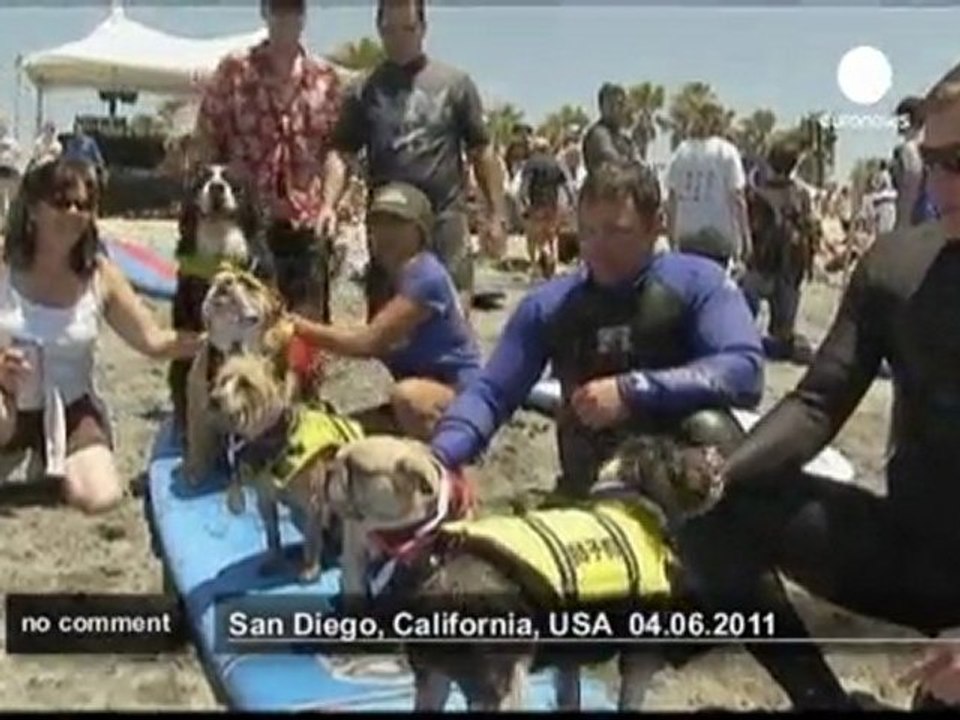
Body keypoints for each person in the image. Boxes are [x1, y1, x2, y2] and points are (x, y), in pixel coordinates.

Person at [427, 160, 854, 709]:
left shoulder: (695, 284)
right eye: (588, 231)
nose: (598, 247)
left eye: (618, 231)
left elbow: (743, 370)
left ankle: (820, 697)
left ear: (657, 226)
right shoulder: (552, 305)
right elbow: (491, 392)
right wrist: (440, 457)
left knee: (724, 502)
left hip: (688, 502)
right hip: (593, 495)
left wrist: (634, 390)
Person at [686, 62, 960, 711]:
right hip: (918, 553)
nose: (943, 183)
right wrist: (720, 473)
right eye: (934, 162)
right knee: (715, 514)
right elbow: (818, 401)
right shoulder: (897, 266)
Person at [0, 158, 202, 513]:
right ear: (33, 208)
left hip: (71, 405)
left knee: (100, 497)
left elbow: (153, 340)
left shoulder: (99, 275)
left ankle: (47, 460)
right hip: (8, 400)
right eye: (61, 202)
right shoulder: (5, 265)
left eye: (83, 205)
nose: (73, 213)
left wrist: (214, 342)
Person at [330, 0, 508, 320]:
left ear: (423, 29)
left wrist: (496, 214)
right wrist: (328, 204)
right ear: (379, 30)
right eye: (390, 30)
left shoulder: (456, 84)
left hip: (444, 224)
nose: (399, 38)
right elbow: (341, 153)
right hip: (388, 227)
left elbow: (482, 150)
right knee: (388, 332)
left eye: (408, 29)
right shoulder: (363, 90)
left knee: (452, 324)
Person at [289, 182, 481, 441]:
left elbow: (367, 342)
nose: (385, 232)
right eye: (378, 222)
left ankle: (444, 458)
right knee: (339, 432)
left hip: (459, 395)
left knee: (407, 397)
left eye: (397, 223)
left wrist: (297, 327)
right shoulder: (390, 278)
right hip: (421, 390)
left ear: (420, 230)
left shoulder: (425, 276)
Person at [193, 0, 345, 322]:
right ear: (264, 11)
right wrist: (209, 200)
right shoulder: (234, 71)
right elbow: (206, 136)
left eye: (294, 8)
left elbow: (335, 152)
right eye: (278, 8)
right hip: (246, 230)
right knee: (244, 325)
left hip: (306, 228)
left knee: (306, 332)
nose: (286, 16)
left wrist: (330, 205)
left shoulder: (327, 79)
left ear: (304, 14)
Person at [741, 140, 817, 362]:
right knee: (783, 336)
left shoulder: (756, 193)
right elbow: (810, 231)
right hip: (789, 271)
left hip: (760, 266)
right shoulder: (801, 195)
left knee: (742, 318)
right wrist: (808, 267)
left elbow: (748, 230)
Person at [665, 104, 751, 270]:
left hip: (687, 238)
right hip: (718, 240)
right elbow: (738, 199)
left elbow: (672, 199)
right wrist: (745, 238)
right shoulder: (727, 151)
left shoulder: (682, 151)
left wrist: (671, 238)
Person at [518, 136, 573, 279]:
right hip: (552, 204)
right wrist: (571, 201)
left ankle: (536, 264)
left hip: (537, 204)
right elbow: (565, 185)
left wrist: (524, 202)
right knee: (551, 235)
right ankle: (554, 260)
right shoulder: (555, 163)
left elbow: (525, 186)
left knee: (533, 237)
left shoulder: (531, 163)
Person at [892, 95, 937, 229]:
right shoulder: (932, 145)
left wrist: (902, 224)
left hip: (915, 218)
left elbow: (909, 191)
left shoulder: (908, 149)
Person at [581, 83, 637, 174]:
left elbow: (636, 162)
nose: (616, 109)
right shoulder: (598, 133)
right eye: (611, 105)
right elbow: (611, 159)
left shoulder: (626, 140)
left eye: (621, 105)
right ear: (602, 108)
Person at [62, 122, 106, 190]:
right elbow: (67, 156)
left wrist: (99, 161)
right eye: (75, 129)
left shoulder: (90, 141)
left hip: (86, 166)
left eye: (78, 129)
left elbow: (96, 154)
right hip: (73, 167)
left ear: (81, 130)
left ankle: (95, 191)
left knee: (94, 177)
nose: (76, 131)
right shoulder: (70, 142)